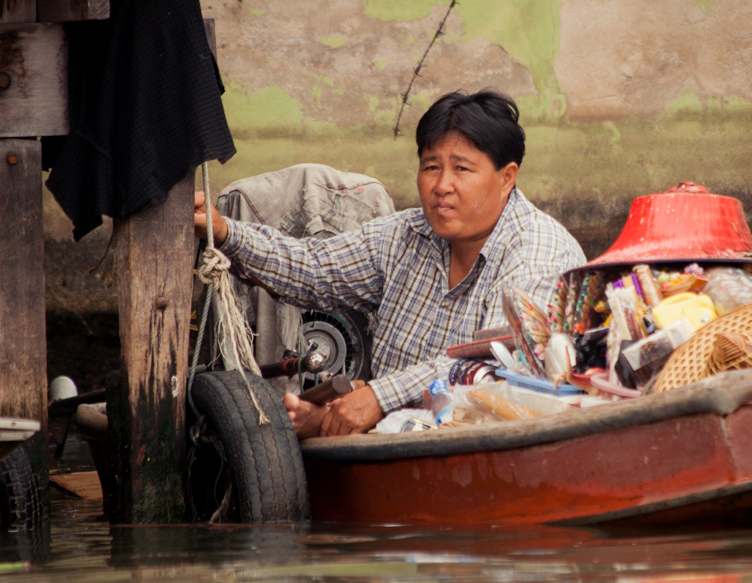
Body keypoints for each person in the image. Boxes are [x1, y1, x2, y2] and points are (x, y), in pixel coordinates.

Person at [194, 89, 586, 438]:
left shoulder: (540, 249)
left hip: (488, 444)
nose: (442, 185)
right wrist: (226, 231)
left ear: (506, 178)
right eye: (431, 166)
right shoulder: (404, 235)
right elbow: (314, 269)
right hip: (393, 442)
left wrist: (378, 397)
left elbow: (494, 359)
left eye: (462, 168)